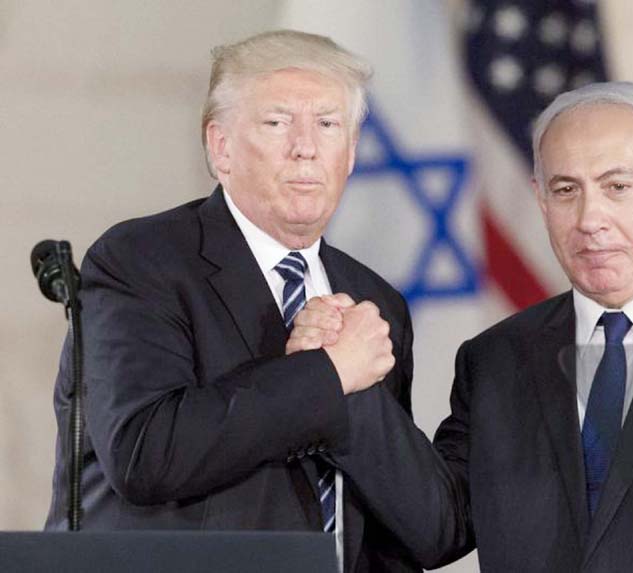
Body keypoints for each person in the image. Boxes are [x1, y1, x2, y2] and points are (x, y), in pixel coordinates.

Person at [289, 82, 633, 571]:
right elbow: (438, 528)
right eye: (566, 190)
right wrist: (346, 384)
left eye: (617, 186)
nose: (590, 220)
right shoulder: (495, 360)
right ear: (540, 199)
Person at [45, 29, 420, 572]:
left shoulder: (374, 300)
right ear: (220, 147)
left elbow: (384, 520)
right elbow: (145, 453)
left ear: (353, 153)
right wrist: (326, 375)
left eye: (328, 124)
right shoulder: (141, 260)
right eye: (276, 123)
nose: (305, 146)